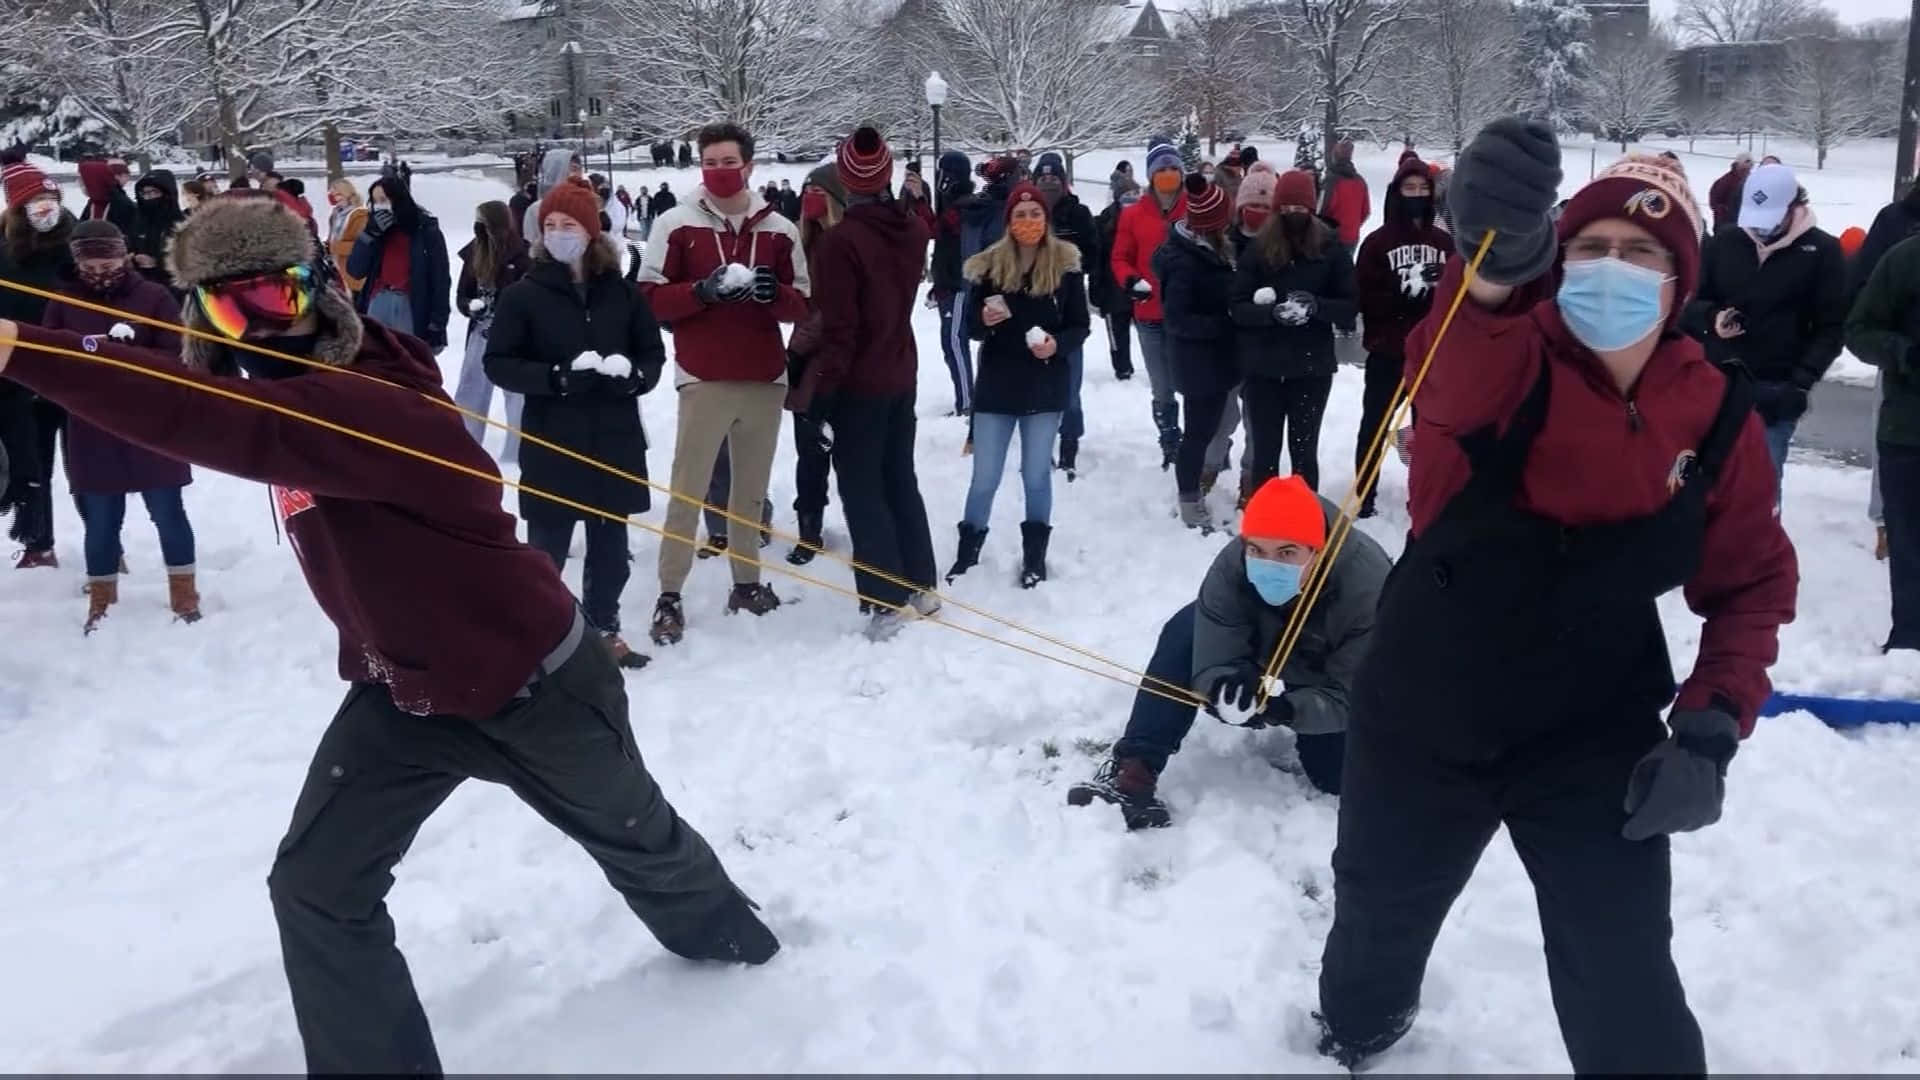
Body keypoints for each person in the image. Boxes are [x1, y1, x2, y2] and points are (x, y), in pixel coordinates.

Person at [0, 192, 777, 1073]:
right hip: (403, 691)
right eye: (228, 303)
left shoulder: (378, 405)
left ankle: (744, 965)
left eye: (274, 294)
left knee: (642, 843)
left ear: (316, 290)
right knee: (316, 889)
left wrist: (25, 350)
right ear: (200, 314)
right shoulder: (293, 387)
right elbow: (188, 384)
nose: (256, 322)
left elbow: (210, 418)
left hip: (533, 683)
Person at [1313, 122, 1798, 1074]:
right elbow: (1444, 379)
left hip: (1591, 726)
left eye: (1642, 254)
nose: (1613, 269)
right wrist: (1490, 266)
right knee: (1380, 912)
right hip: (1426, 708)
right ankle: (1359, 1026)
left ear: (1680, 280)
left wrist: (1709, 725)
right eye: (1592, 248)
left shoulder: (1713, 410)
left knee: (1623, 970)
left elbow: (1750, 580)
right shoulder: (1500, 348)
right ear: (1559, 257)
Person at [1068, 474, 1388, 827]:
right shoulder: (1232, 566)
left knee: (1333, 777)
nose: (1269, 564)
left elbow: (1349, 693)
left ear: (1318, 549)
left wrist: (1284, 709)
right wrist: (1224, 684)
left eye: (1287, 553)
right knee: (1184, 631)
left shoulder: (1368, 586)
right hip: (1262, 640)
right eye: (1257, 550)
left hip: (1326, 667)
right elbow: (1212, 645)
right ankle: (1133, 771)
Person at [638, 121, 809, 645]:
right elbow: (648, 296)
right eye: (709, 162)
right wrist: (702, 292)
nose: (719, 172)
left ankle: (747, 582)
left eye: (728, 162)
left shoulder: (780, 227)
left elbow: (802, 303)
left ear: (749, 165)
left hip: (763, 377)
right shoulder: (676, 222)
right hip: (704, 376)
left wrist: (770, 292)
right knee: (688, 489)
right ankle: (670, 592)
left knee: (749, 496)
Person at [484, 184, 661, 667]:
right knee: (547, 549)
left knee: (609, 547)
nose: (560, 235)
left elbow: (652, 353)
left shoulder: (622, 293)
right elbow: (498, 362)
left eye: (570, 226)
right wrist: (554, 378)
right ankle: (539, 639)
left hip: (613, 437)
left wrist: (635, 377)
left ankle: (604, 629)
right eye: (551, 227)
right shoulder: (524, 295)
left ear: (592, 231)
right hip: (553, 439)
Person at [801, 127, 942, 639]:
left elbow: (841, 332)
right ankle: (922, 582)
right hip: (901, 369)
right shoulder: (909, 231)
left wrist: (822, 397)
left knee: (862, 487)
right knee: (899, 477)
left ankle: (884, 597)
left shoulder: (841, 244)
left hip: (861, 380)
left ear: (845, 178)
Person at [40, 220, 199, 629]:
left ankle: (184, 594)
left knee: (168, 511)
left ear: (124, 254)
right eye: (90, 262)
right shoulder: (63, 302)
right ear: (77, 262)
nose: (100, 268)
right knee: (102, 518)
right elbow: (48, 362)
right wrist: (85, 363)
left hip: (150, 424)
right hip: (92, 426)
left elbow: (179, 357)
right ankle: (102, 600)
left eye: (108, 258)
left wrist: (134, 358)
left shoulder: (153, 296)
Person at [946, 181, 1088, 590]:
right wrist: (982, 322)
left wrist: (1057, 345)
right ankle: (967, 553)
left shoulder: (1065, 267)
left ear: (1046, 219)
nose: (1028, 221)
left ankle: (1035, 558)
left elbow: (1080, 325)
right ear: (1009, 221)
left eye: (1035, 214)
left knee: (1036, 476)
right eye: (1020, 215)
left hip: (1044, 387)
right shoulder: (989, 267)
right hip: (997, 386)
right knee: (985, 476)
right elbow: (970, 327)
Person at [1682, 162, 1845, 499]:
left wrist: (1799, 384)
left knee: (1760, 492)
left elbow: (1832, 328)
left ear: (1793, 207)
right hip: (1715, 383)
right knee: (1702, 488)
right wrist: (1712, 318)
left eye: (1769, 222)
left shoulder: (1822, 252)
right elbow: (1690, 306)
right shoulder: (1726, 241)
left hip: (1776, 390)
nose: (1760, 231)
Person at [1228, 168, 1356, 493]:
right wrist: (1271, 313)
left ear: (1311, 210)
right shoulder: (1258, 250)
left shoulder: (1330, 248)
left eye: (1299, 210)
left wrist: (1316, 306)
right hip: (1264, 370)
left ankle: (1303, 521)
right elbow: (1238, 306)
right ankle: (1262, 524)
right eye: (1285, 210)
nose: (1292, 215)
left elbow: (1350, 304)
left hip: (1311, 368)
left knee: (1304, 453)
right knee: (1265, 456)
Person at [1352, 155, 1452, 518]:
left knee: (1432, 429)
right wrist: (1400, 293)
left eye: (1423, 189)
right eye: (1409, 188)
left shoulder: (1443, 242)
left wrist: (1438, 286)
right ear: (1397, 193)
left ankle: (1426, 494)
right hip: (1389, 351)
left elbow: (1459, 297)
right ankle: (1365, 495)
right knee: (1376, 425)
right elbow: (1362, 296)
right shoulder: (1376, 243)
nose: (1417, 194)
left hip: (1433, 353)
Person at [1842, 229, 1920, 653]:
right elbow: (1859, 329)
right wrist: (1904, 352)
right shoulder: (1905, 259)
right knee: (1909, 545)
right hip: (1909, 433)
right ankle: (1910, 645)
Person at [0, 155, 74, 568]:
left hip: (74, 369)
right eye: (37, 202)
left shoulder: (76, 244)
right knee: (34, 463)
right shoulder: (4, 254)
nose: (47, 210)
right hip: (20, 378)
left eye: (52, 200)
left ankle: (108, 544)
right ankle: (37, 541)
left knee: (86, 465)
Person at [1155, 175, 1239, 532]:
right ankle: (1189, 498)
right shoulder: (1185, 261)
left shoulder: (1212, 248)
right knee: (1198, 433)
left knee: (1222, 422)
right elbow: (1177, 319)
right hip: (1197, 363)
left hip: (1216, 358)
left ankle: (1201, 479)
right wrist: (1224, 322)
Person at [782, 165, 850, 566]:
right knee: (809, 453)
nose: (809, 197)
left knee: (847, 452)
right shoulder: (802, 245)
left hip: (836, 363)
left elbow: (834, 310)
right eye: (805, 189)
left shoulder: (845, 245)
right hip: (806, 366)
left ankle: (862, 524)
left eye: (817, 191)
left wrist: (801, 346)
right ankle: (810, 528)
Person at [1111, 136, 1191, 468]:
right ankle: (1170, 442)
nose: (1169, 174)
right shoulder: (1133, 214)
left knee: (1194, 384)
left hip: (1189, 314)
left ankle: (1205, 443)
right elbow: (1119, 257)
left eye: (1174, 168)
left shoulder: (1196, 207)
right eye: (1162, 170)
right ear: (1151, 175)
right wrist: (1130, 280)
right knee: (1162, 386)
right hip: (1150, 314)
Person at [1031, 151, 1097, 480]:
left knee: (1070, 385)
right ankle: (1039, 444)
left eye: (1053, 177)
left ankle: (1069, 444)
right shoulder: (1026, 215)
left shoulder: (1079, 213)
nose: (1048, 182)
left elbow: (1094, 253)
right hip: (1032, 306)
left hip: (1068, 305)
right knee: (1037, 384)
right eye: (1041, 177)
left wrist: (1069, 261)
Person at [455, 200, 532, 461]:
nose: (477, 226)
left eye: (482, 220)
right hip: (480, 331)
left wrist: (505, 309)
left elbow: (527, 296)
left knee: (516, 394)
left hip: (511, 336)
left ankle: (517, 453)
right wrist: (469, 306)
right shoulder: (475, 251)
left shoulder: (521, 254)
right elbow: (462, 293)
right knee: (471, 389)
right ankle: (465, 444)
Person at [346, 176, 451, 353]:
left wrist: (437, 322)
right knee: (376, 360)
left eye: (384, 200)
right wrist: (369, 236)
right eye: (374, 201)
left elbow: (440, 279)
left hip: (410, 305)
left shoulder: (425, 230)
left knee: (408, 361)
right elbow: (355, 271)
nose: (379, 206)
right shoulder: (374, 230)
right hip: (378, 300)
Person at [930, 150, 977, 417]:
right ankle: (964, 397)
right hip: (947, 283)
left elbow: (960, 244)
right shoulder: (947, 203)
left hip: (959, 284)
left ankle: (968, 401)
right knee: (950, 343)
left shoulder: (965, 205)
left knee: (955, 341)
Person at [1091, 181, 1140, 380]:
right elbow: (1097, 258)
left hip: (1139, 284)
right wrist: (1096, 289)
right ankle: (1122, 368)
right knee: (1118, 333)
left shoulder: (1144, 216)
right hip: (1112, 287)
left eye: (1136, 192)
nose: (1133, 197)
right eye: (1128, 193)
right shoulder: (1105, 220)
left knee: (1148, 331)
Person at [124, 169, 185, 291]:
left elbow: (190, 261)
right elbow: (129, 245)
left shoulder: (182, 224)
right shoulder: (137, 221)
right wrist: (132, 258)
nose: (149, 197)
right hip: (140, 286)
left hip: (174, 290)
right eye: (145, 193)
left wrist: (158, 262)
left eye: (154, 192)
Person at [1319, 138, 1370, 250]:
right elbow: (1366, 211)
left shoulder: (1330, 181)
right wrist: (1353, 224)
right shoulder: (1360, 181)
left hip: (1330, 237)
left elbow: (1321, 210)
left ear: (1334, 156)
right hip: (1352, 237)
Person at [324, 179, 369, 294]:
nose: (335, 198)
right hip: (337, 273)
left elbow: (361, 246)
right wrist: (326, 246)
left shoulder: (360, 215)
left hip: (353, 274)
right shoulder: (335, 214)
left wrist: (335, 247)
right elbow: (333, 238)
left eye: (338, 194)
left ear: (347, 194)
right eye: (332, 195)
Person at [77, 158, 137, 234]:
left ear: (96, 182)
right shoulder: (94, 202)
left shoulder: (121, 205)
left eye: (84, 182)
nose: (82, 186)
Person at [1708, 154, 1752, 232]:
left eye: (1749, 167)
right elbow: (1714, 201)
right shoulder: (1725, 181)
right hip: (1726, 224)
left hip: (1745, 224)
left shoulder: (1752, 180)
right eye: (1744, 167)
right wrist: (1725, 211)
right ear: (1737, 164)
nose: (1747, 169)